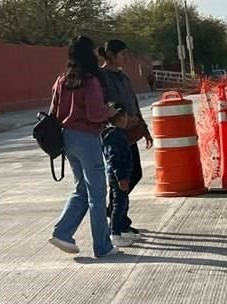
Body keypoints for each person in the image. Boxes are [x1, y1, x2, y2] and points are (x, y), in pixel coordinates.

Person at [48, 36, 120, 258]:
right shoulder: (90, 81)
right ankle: (102, 246)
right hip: (87, 138)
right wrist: (111, 111)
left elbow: (53, 112)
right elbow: (94, 114)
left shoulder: (62, 80)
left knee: (81, 188)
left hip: (67, 138)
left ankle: (62, 232)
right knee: (97, 193)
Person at [98, 39, 152, 241]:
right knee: (120, 178)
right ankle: (118, 221)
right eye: (122, 54)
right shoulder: (102, 78)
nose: (125, 58)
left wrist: (144, 129)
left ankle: (115, 214)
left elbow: (134, 105)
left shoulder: (123, 77)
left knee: (134, 174)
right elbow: (102, 106)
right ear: (110, 54)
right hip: (114, 135)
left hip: (130, 133)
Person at [101, 104, 134, 248]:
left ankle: (122, 228)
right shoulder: (114, 136)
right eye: (126, 117)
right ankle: (114, 233)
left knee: (121, 202)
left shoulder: (117, 134)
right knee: (119, 204)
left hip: (120, 175)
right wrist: (121, 177)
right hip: (118, 176)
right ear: (121, 118)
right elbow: (114, 159)